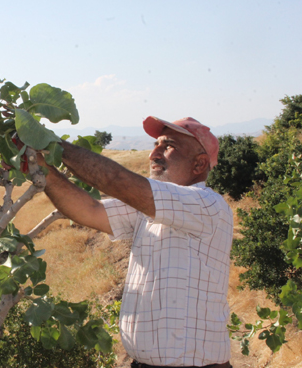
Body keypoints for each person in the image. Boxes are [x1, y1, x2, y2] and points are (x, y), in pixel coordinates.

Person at [40, 116, 233, 368]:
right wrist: (39, 165)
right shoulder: (151, 208)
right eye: (156, 144)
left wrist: (47, 142)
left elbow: (116, 182)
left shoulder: (207, 204)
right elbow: (89, 210)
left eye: (168, 146)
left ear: (199, 164)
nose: (154, 154)